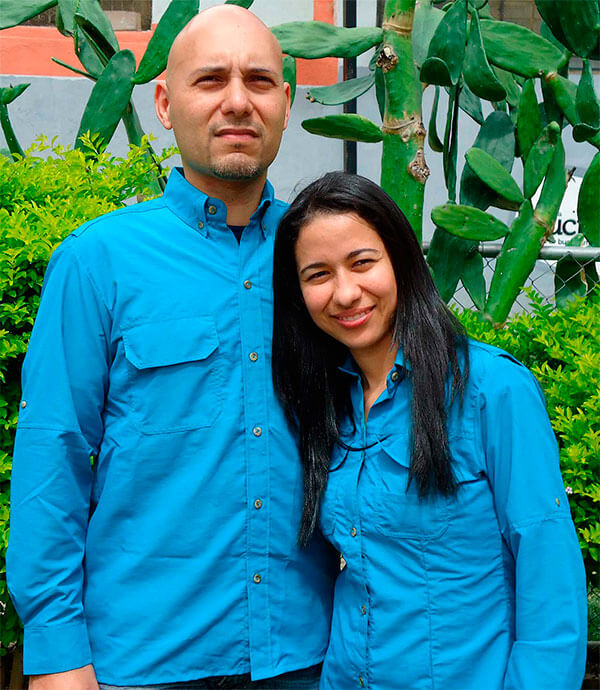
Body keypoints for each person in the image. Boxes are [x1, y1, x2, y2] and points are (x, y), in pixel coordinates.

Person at [7, 7, 338, 690]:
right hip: (143, 661)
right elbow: (52, 459)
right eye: (210, 80)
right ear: (164, 103)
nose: (237, 101)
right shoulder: (98, 262)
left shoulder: (324, 261)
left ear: (286, 102)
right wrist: (57, 652)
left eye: (259, 81)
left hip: (308, 655)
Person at [272, 171, 587, 690]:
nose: (345, 293)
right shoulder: (326, 400)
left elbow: (548, 575)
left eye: (362, 263)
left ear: (400, 260)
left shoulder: (490, 389)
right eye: (318, 274)